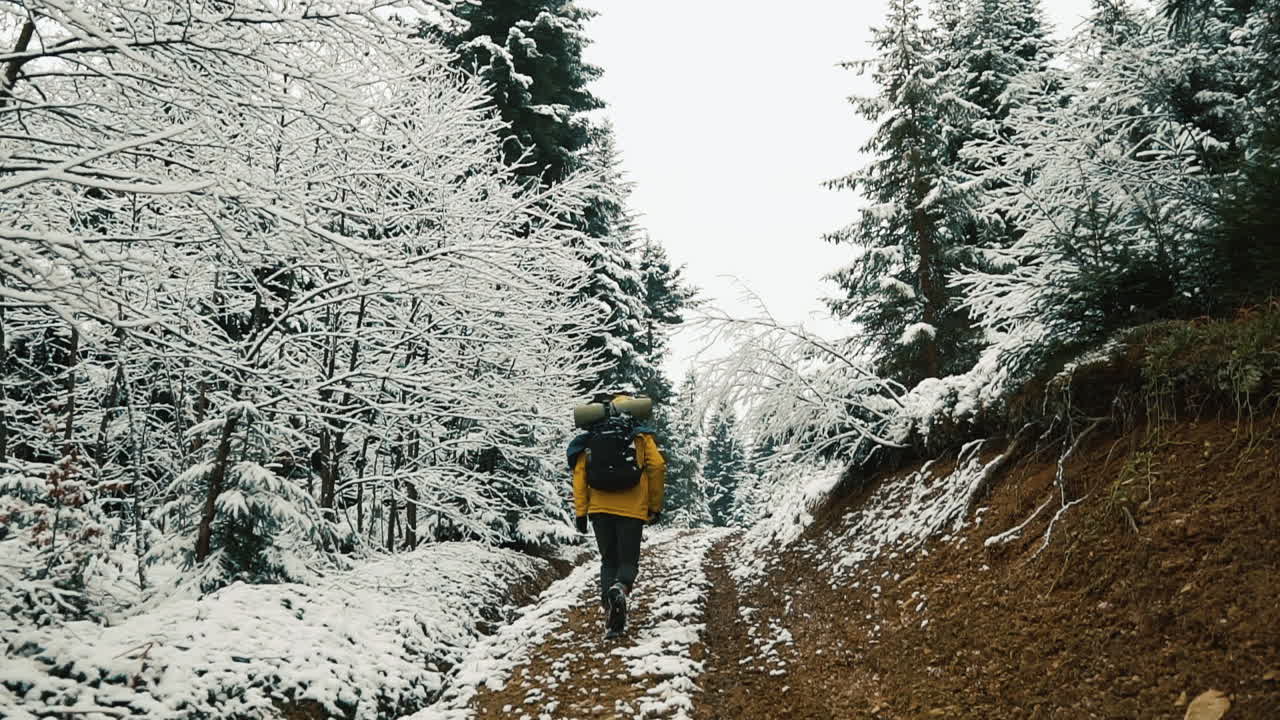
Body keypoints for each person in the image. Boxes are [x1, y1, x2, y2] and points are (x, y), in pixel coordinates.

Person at [567, 392, 665, 639]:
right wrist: (654, 506)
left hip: (599, 509)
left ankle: (611, 618)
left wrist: (581, 512)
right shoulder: (640, 435)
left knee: (608, 560)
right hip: (632, 509)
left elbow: (579, 474)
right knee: (628, 562)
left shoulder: (592, 435)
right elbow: (657, 466)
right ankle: (620, 587)